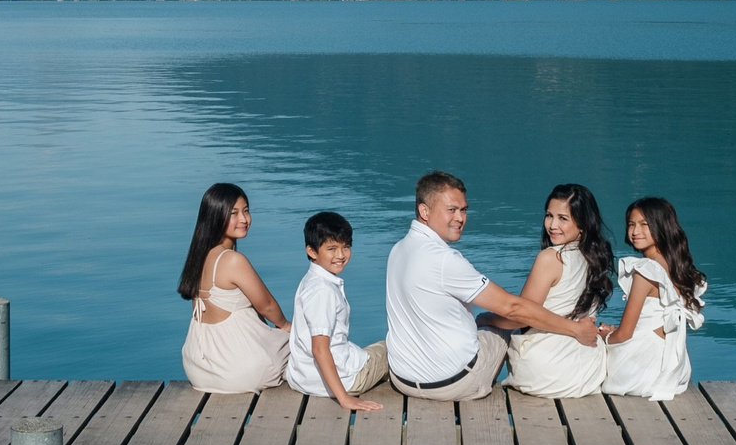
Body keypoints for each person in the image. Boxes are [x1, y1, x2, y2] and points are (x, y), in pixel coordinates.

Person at [385, 170, 599, 402]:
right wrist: (576, 329)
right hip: (452, 384)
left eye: (463, 210)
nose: (460, 218)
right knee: (502, 322)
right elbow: (514, 310)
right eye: (451, 210)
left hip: (402, 379)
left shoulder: (398, 249)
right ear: (424, 211)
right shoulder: (445, 260)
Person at [500, 183, 613, 399]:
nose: (552, 225)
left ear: (582, 224)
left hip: (546, 374)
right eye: (549, 215)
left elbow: (520, 317)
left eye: (563, 218)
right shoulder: (595, 258)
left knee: (498, 325)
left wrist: (486, 319)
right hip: (588, 372)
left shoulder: (551, 258)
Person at [176, 182, 291, 394]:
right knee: (307, 342)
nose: (244, 219)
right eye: (234, 213)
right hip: (237, 371)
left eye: (246, 211)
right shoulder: (231, 260)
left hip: (200, 369)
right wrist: (285, 326)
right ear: (215, 216)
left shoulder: (198, 257)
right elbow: (266, 305)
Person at [601, 195, 706, 401]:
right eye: (631, 224)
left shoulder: (646, 271)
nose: (635, 231)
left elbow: (624, 334)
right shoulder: (678, 266)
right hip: (674, 366)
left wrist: (604, 336)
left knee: (587, 346)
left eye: (644, 224)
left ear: (661, 226)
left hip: (642, 370)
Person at [285, 211, 388, 411]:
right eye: (331, 249)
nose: (341, 255)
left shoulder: (311, 280)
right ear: (312, 251)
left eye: (346, 247)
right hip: (345, 380)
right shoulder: (323, 291)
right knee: (397, 346)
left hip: (303, 378)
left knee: (378, 347)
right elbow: (319, 349)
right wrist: (345, 399)